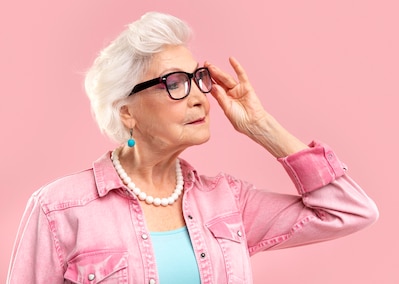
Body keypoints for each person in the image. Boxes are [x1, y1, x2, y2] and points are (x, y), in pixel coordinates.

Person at [7, 11, 378, 284]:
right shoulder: (59, 208)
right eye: (174, 82)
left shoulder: (227, 202)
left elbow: (348, 210)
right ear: (127, 111)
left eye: (198, 78)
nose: (201, 97)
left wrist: (261, 127)